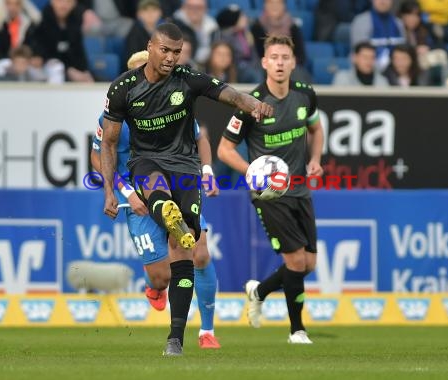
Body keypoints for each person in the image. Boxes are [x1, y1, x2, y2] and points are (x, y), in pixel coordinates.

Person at [101, 22, 273, 356]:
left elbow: (228, 94)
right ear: (150, 46)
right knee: (159, 195)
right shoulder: (122, 89)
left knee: (186, 251)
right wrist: (111, 191)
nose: (170, 57)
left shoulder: (188, 79)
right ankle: (168, 214)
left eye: (176, 52)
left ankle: (175, 337)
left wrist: (253, 105)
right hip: (146, 163)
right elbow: (107, 144)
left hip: (185, 168)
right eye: (164, 50)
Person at [92, 49, 221, 350]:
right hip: (138, 197)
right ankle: (154, 287)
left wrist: (206, 170)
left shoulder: (175, 105)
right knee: (162, 276)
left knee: (199, 253)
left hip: (177, 185)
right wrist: (123, 191)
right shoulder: (115, 113)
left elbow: (199, 137)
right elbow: (98, 154)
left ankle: (206, 330)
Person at [217, 35, 324, 344]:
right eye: (273, 57)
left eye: (284, 57)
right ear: (263, 62)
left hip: (300, 188)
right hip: (269, 194)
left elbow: (316, 129)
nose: (279, 62)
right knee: (295, 262)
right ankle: (297, 331)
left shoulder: (305, 95)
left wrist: (315, 159)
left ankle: (259, 291)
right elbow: (225, 149)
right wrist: (253, 171)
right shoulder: (251, 104)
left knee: (309, 264)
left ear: (293, 63)